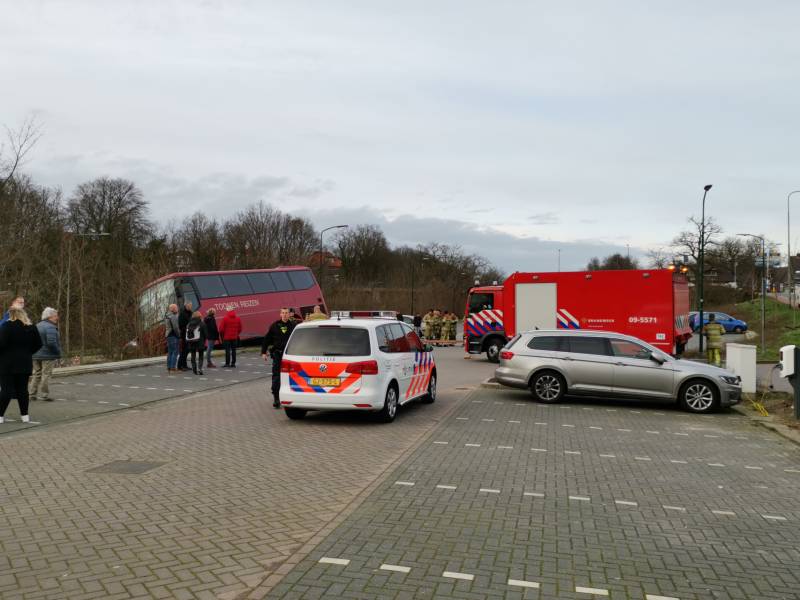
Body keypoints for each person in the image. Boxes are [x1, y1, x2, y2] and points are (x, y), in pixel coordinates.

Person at [0, 308, 43, 424]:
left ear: (11, 315)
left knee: (6, 390)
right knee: (22, 390)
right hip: (25, 363)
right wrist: (28, 353)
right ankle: (25, 416)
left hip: (7, 364)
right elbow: (39, 344)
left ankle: (0, 416)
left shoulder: (7, 326)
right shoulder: (31, 327)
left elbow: (1, 344)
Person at [262, 307, 297, 409]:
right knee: (277, 376)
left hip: (290, 355)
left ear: (289, 314)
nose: (285, 315)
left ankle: (292, 396)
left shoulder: (294, 326)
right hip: (277, 354)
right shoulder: (275, 325)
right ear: (280, 314)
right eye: (283, 313)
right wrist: (263, 352)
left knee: (291, 376)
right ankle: (276, 398)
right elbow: (267, 339)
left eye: (286, 313)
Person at [29, 307, 62, 401]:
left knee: (36, 374)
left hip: (35, 355)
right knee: (46, 374)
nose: (57, 318)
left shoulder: (36, 326)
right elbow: (51, 343)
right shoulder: (50, 327)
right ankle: (44, 395)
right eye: (55, 316)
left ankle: (32, 394)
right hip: (47, 355)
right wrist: (58, 352)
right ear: (50, 317)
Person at [186, 311, 207, 375]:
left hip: (191, 341)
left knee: (193, 355)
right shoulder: (202, 323)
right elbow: (205, 334)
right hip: (200, 341)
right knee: (201, 355)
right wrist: (204, 340)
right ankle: (199, 368)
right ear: (199, 316)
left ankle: (194, 369)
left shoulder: (189, 324)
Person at [177, 301, 193, 371]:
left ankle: (185, 365)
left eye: (191, 305)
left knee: (187, 350)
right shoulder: (182, 314)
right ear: (186, 306)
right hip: (184, 334)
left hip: (189, 334)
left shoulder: (191, 313)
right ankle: (180, 365)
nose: (190, 307)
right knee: (184, 351)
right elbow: (180, 325)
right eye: (189, 306)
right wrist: (187, 328)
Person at [164, 304, 180, 372]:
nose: (177, 309)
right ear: (173, 309)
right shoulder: (173, 316)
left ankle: (169, 367)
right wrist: (179, 335)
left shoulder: (167, 315)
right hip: (173, 335)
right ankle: (173, 368)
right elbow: (175, 327)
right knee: (175, 351)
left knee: (170, 352)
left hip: (168, 335)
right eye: (176, 308)